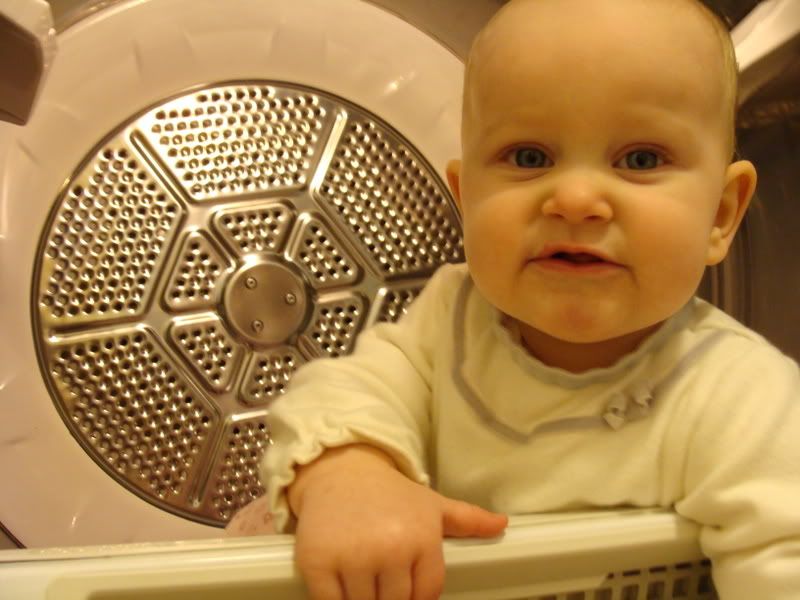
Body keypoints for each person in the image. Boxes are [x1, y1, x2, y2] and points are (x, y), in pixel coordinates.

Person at [229, 0, 800, 598]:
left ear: (721, 215)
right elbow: (345, 392)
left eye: (640, 159)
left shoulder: (743, 397)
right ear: (467, 199)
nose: (575, 199)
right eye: (530, 158)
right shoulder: (450, 320)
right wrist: (353, 474)